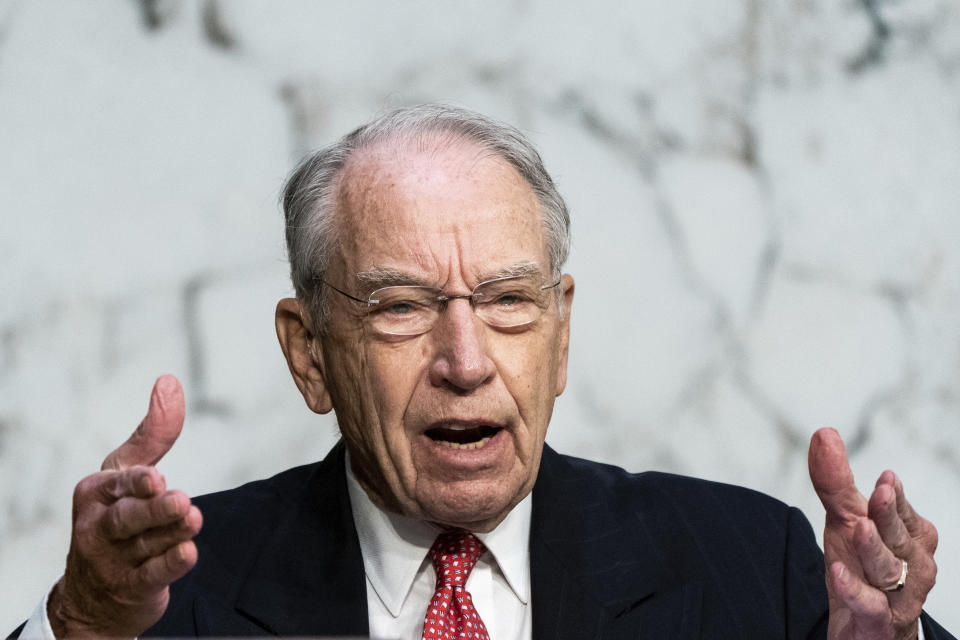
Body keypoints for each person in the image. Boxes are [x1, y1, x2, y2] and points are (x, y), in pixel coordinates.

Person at [11, 104, 953, 639]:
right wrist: (84, 625)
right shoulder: (166, 601)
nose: (465, 362)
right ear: (309, 354)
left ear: (562, 333)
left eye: (508, 300)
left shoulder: (762, 570)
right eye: (400, 307)